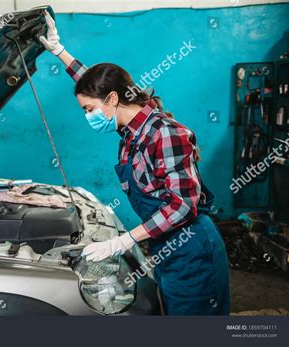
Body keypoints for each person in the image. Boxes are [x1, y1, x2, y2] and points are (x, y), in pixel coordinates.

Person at [39, 12, 230, 315]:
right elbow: (96, 85)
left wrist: (123, 241)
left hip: (192, 249)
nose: (88, 116)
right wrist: (59, 51)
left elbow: (182, 206)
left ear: (113, 99)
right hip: (166, 247)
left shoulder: (165, 133)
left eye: (89, 109)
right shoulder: (130, 125)